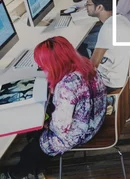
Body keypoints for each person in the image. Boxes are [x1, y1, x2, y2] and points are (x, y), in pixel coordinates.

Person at [1, 37, 106, 179]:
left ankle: (17, 174)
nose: (43, 69)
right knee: (38, 131)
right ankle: (37, 166)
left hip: (80, 133)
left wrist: (46, 125)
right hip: (96, 119)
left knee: (31, 151)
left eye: (43, 65)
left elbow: (61, 127)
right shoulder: (86, 65)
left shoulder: (66, 87)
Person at [85, 0, 130, 92]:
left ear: (99, 7)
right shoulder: (122, 18)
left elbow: (92, 66)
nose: (86, 7)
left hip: (110, 84)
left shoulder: (107, 29)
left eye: (88, 4)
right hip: (123, 76)